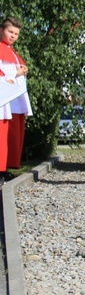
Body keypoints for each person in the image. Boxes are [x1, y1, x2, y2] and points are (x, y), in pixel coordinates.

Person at [0, 17, 32, 181]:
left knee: (10, 137)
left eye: (16, 33)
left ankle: (4, 168)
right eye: (10, 31)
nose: (13, 36)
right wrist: (15, 73)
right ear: (1, 30)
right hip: (3, 101)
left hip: (12, 102)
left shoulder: (12, 52)